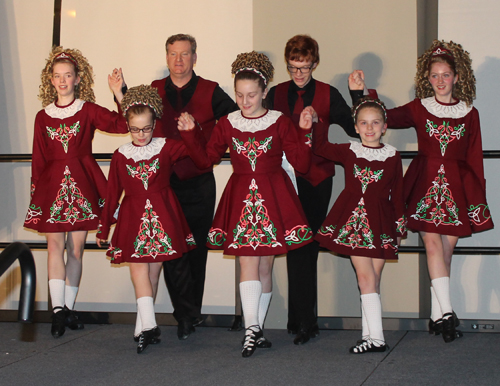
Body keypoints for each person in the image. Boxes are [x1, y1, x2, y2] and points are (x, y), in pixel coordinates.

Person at [350, 40, 494, 343]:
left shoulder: (470, 113)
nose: (440, 81)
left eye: (445, 75)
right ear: (426, 79)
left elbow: (474, 155)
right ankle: (449, 313)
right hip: (425, 183)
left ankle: (436, 316)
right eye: (434, 76)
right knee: (432, 245)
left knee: (446, 252)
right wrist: (363, 93)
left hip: (457, 186)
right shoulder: (420, 107)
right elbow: (386, 116)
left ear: (456, 77)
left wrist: (477, 195)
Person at [178, 51, 314, 357]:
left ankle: (256, 328)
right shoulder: (227, 123)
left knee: (264, 264)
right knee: (249, 261)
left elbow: (301, 164)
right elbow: (206, 160)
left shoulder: (279, 122)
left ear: (265, 92)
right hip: (242, 196)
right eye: (239, 95)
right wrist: (190, 135)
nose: (245, 101)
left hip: (274, 194)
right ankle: (252, 329)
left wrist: (305, 130)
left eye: (252, 95)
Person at [109, 34, 237, 338]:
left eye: (184, 54)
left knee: (196, 253)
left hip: (198, 184)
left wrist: (213, 146)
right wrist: (120, 93)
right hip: (161, 187)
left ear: (194, 56)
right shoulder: (154, 90)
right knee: (169, 254)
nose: (178, 60)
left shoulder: (211, 91)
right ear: (166, 57)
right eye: (172, 54)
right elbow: (134, 115)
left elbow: (237, 120)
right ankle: (182, 317)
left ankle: (190, 316)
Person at [23, 47, 128, 338]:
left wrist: (119, 92)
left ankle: (67, 310)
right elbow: (39, 157)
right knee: (55, 247)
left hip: (82, 182)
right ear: (51, 80)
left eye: (68, 75)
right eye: (57, 76)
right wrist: (36, 195)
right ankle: (58, 311)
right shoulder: (42, 117)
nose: (62, 81)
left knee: (76, 250)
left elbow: (122, 124)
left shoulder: (87, 109)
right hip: (51, 186)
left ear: (78, 78)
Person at [266, 34, 362, 344]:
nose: (298, 74)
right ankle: (302, 320)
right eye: (293, 67)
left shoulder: (329, 94)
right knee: (296, 246)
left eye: (304, 68)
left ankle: (303, 320)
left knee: (306, 245)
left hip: (318, 178)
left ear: (315, 64)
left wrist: (358, 94)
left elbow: (354, 127)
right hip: (285, 178)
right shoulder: (276, 94)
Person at [96, 85, 199, 353]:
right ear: (127, 125)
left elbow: (197, 155)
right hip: (133, 216)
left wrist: (190, 132)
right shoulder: (121, 155)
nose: (141, 135)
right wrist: (103, 227)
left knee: (152, 273)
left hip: (163, 215)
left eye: (146, 128)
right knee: (139, 269)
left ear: (155, 124)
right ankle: (149, 326)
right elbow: (112, 193)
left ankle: (143, 326)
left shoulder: (166, 147)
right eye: (135, 129)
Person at [313, 97, 406, 353]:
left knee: (372, 280)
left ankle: (370, 334)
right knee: (365, 278)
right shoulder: (349, 150)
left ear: (385, 126)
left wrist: (399, 228)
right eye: (363, 123)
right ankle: (377, 338)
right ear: (355, 127)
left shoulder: (393, 156)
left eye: (375, 123)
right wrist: (317, 119)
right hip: (353, 223)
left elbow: (397, 194)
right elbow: (319, 146)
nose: (369, 128)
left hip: (381, 223)